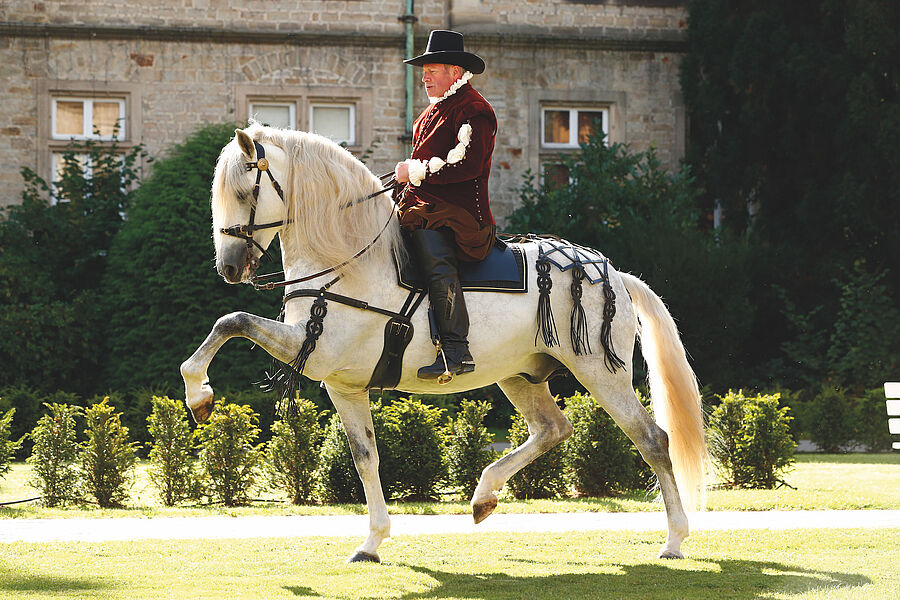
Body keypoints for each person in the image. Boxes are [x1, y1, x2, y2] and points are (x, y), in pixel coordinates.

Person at [394, 30, 497, 381]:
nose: (424, 77)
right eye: (423, 70)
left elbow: (468, 165)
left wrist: (416, 171)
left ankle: (456, 349)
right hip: (426, 207)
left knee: (430, 246)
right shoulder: (427, 115)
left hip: (463, 217)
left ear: (455, 71)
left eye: (432, 69)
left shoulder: (475, 109)